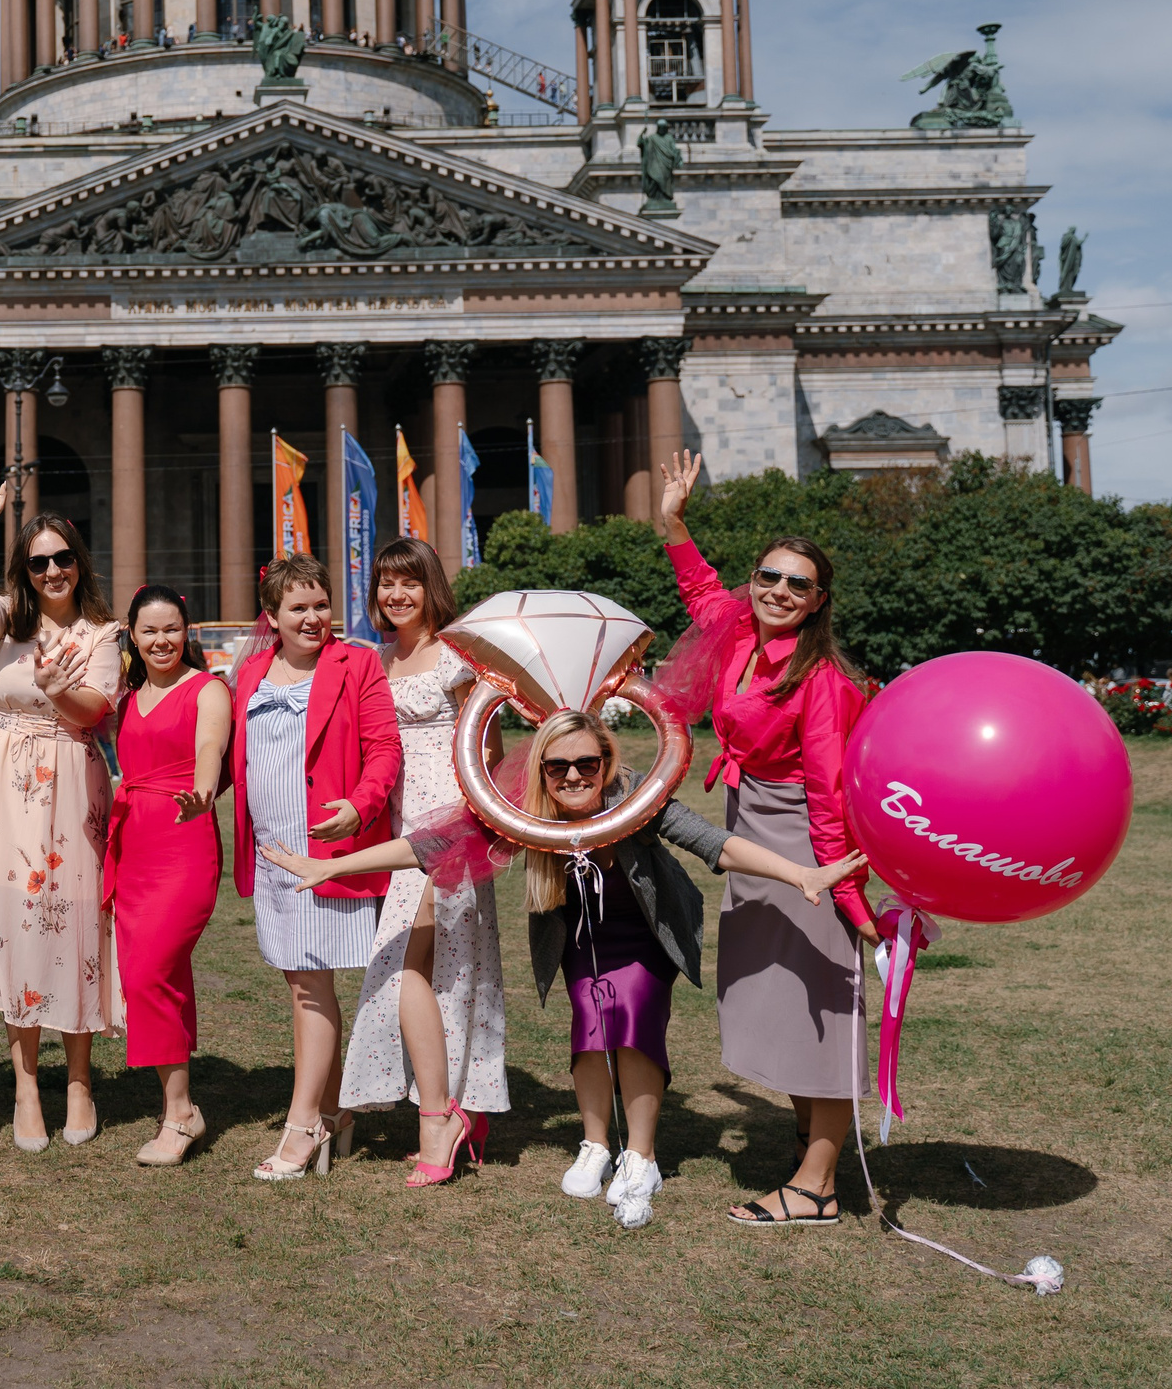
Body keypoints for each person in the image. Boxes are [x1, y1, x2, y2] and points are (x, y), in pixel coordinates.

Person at [266, 709, 868, 1223]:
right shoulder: (524, 812)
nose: (574, 775)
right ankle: (596, 1144)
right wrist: (330, 868)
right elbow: (429, 845)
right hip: (579, 938)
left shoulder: (637, 798)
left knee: (628, 1024)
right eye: (558, 767)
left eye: (587, 762)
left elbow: (716, 843)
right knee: (589, 1032)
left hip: (645, 936)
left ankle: (642, 1157)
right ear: (542, 773)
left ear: (607, 761)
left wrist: (802, 873)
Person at [660, 449, 881, 1227]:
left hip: (803, 840)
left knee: (818, 1003)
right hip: (752, 823)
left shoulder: (821, 679)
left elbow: (828, 796)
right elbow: (698, 589)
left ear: (819, 601)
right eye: (768, 577)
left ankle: (817, 1187)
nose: (778, 591)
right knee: (779, 1001)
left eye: (797, 584)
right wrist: (673, 521)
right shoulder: (738, 633)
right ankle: (805, 1142)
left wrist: (844, 897)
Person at [0, 461, 122, 1150]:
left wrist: (55, 686)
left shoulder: (104, 633)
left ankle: (79, 1079)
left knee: (77, 929)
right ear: (25, 569)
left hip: (73, 789)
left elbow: (96, 709)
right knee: (17, 928)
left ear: (79, 564)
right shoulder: (7, 621)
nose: (52, 570)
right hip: (6, 797)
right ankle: (25, 1083)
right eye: (38, 561)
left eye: (62, 559)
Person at [336, 539, 510, 1188]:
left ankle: (438, 1116)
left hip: (451, 825)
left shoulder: (462, 654)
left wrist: (489, 706)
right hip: (399, 824)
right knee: (444, 973)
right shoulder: (376, 658)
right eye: (385, 584)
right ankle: (461, 1107)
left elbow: (488, 745)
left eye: (409, 582)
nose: (396, 595)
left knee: (414, 958)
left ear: (430, 585)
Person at [228, 551, 400, 1180]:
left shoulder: (356, 662)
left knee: (309, 986)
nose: (313, 617)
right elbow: (234, 757)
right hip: (270, 855)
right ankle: (333, 1114)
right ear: (271, 616)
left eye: (321, 604)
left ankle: (302, 1127)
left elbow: (384, 747)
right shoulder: (249, 673)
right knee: (299, 985)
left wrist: (361, 805)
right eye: (297, 607)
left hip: (325, 853)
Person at [105, 585, 230, 1167]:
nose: (161, 640)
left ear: (188, 633)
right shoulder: (126, 700)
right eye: (150, 630)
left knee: (151, 970)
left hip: (184, 842)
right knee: (155, 976)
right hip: (133, 844)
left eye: (172, 629)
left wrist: (203, 794)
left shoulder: (208, 690)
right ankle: (179, 1105)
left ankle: (179, 1115)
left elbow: (210, 749)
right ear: (132, 634)